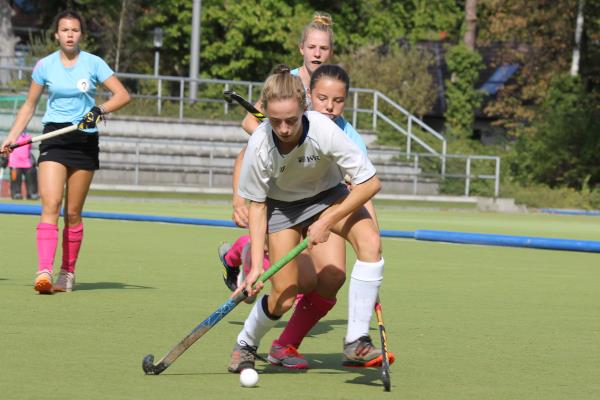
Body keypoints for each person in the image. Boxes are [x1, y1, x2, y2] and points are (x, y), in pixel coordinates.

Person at [220, 65, 393, 370]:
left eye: (291, 120)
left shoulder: (324, 129)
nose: (284, 129)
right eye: (276, 121)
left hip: (328, 198)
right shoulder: (260, 144)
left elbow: (370, 183)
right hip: (282, 209)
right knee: (284, 295)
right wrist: (257, 268)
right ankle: (246, 341)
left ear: (304, 108)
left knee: (369, 243)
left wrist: (326, 220)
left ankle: (356, 340)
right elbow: (257, 207)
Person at [0, 10, 131, 294]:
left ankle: (67, 273)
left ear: (80, 34)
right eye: (65, 30)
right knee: (50, 204)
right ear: (56, 35)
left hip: (84, 141)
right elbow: (29, 106)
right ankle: (44, 272)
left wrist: (98, 110)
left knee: (72, 213)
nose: (70, 35)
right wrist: (11, 137)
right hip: (54, 139)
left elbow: (123, 95)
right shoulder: (44, 66)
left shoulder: (94, 63)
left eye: (74, 30)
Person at [8, 131, 39, 200]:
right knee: (15, 180)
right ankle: (16, 194)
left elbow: (29, 148)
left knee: (31, 179)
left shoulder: (28, 136)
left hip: (27, 163)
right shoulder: (12, 136)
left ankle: (32, 194)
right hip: (14, 163)